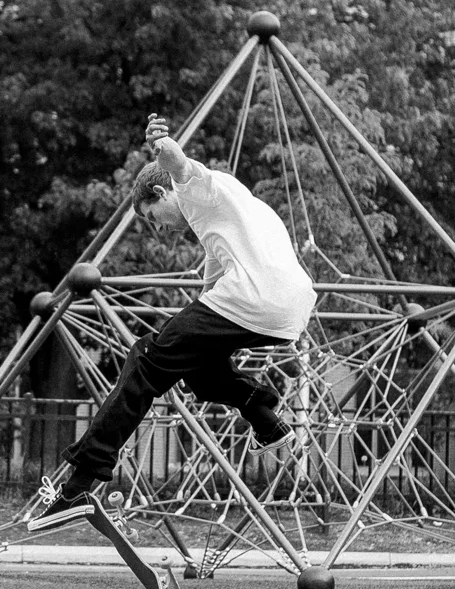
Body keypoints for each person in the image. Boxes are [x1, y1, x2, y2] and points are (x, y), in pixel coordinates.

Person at [30, 112, 318, 524]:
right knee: (196, 365)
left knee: (145, 361)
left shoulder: (197, 192)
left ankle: (79, 484)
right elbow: (209, 286)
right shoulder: (231, 211)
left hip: (253, 298)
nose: (161, 230)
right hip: (290, 308)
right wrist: (182, 330)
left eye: (154, 218)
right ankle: (264, 418)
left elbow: (180, 166)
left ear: (161, 192)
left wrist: (162, 146)